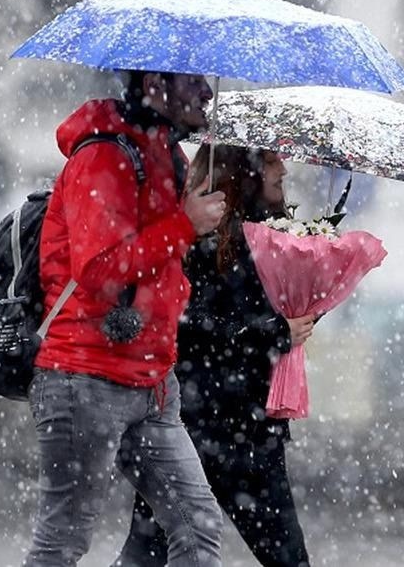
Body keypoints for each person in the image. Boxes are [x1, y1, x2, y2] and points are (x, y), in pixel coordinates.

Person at [26, 71, 227, 567]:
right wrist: (185, 224)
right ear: (155, 83)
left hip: (153, 382)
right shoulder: (105, 156)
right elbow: (99, 269)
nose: (207, 91)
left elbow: (165, 260)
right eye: (192, 80)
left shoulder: (166, 155)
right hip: (85, 377)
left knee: (197, 527)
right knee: (62, 543)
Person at [115, 144, 315, 567]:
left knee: (287, 558)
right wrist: (275, 334)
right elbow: (191, 327)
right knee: (149, 553)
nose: (284, 168)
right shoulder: (201, 239)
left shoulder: (274, 237)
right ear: (245, 170)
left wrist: (304, 311)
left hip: (248, 430)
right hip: (197, 428)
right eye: (272, 159)